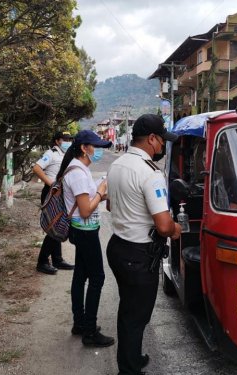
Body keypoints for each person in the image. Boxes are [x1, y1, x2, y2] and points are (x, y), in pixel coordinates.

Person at [106, 114, 181, 374]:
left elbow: (110, 204)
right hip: (138, 255)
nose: (162, 147)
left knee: (129, 309)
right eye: (162, 141)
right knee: (136, 316)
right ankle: (128, 369)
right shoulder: (151, 173)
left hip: (118, 247)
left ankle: (133, 358)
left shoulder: (118, 165)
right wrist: (176, 229)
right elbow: (163, 225)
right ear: (151, 139)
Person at [55, 130, 115, 347]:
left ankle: (79, 323)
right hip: (85, 231)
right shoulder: (78, 173)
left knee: (80, 275)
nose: (97, 150)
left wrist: (104, 192)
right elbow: (86, 209)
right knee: (97, 278)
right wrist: (100, 192)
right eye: (95, 146)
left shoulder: (79, 169)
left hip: (82, 230)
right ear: (84, 148)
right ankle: (89, 331)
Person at [33, 131, 75, 275]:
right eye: (65, 139)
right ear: (57, 141)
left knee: (58, 226)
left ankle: (57, 259)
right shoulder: (51, 153)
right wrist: (51, 184)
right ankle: (42, 262)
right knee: (54, 226)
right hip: (51, 193)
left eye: (69, 139)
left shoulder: (66, 154)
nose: (68, 141)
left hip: (61, 194)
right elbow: (36, 168)